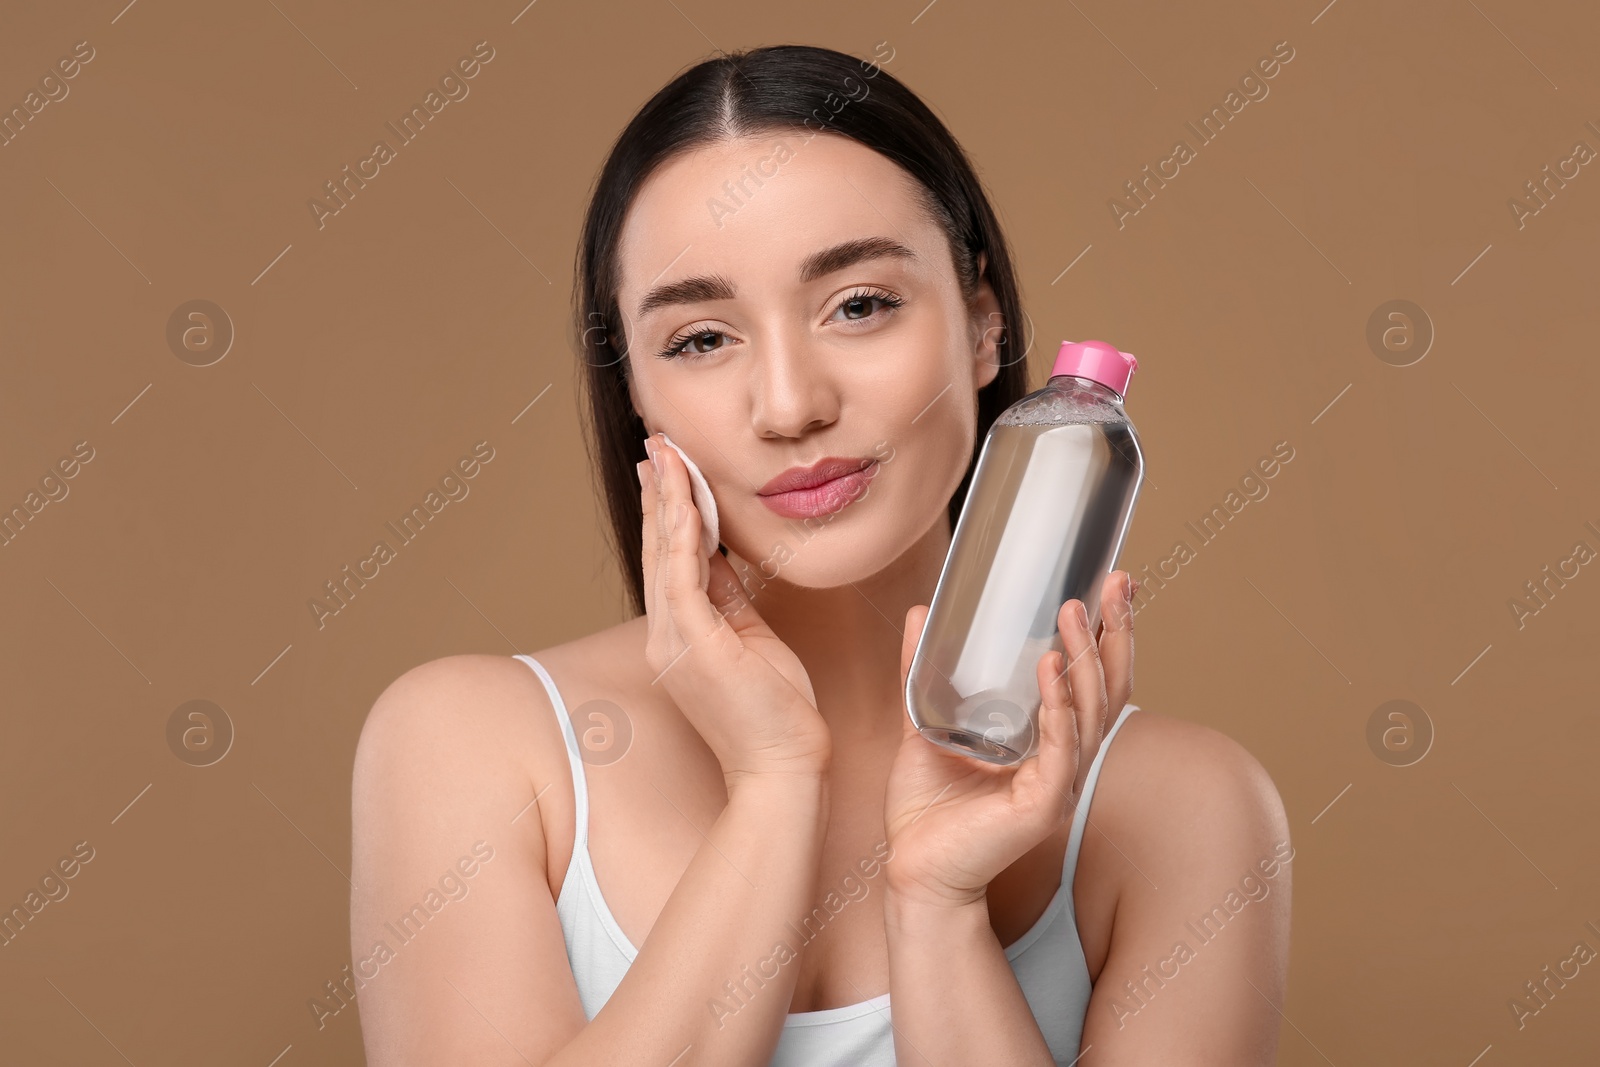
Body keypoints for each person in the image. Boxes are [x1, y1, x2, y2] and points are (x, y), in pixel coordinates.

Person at [350, 43, 1291, 1066]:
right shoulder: (474, 745)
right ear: (637, 398)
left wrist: (937, 903)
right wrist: (771, 781)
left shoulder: (1182, 810)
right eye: (702, 339)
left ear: (983, 324)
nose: (792, 404)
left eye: (859, 305)